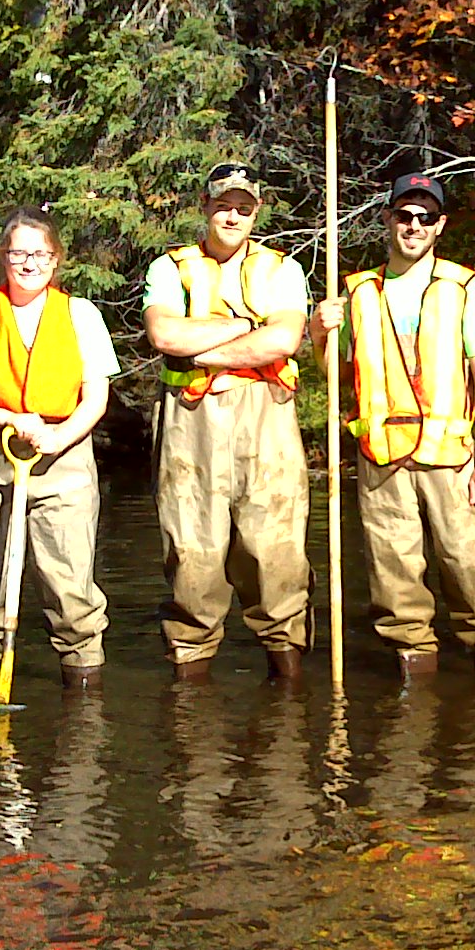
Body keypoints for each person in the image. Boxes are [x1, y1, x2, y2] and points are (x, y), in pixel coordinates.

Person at [312, 172, 475, 677]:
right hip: (382, 460)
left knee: (474, 574)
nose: (414, 225)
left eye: (425, 216)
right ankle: (413, 688)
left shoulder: (465, 288)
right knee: (395, 584)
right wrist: (320, 334)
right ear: (388, 218)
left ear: (440, 224)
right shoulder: (357, 294)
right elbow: (339, 375)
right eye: (404, 214)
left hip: (451, 459)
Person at [0, 207, 118, 702]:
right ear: (4, 258)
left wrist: (62, 436)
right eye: (19, 253)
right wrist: (9, 420)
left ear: (56, 260)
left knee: (71, 591)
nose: (29, 263)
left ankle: (83, 712)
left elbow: (96, 395)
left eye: (40, 254)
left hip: (65, 457)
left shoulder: (82, 315)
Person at [143, 162, 311, 680]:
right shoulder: (168, 268)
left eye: (243, 206)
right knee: (194, 555)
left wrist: (206, 349)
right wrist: (244, 328)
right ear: (205, 207)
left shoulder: (283, 269)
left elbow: (282, 341)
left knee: (275, 552)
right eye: (223, 205)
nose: (232, 215)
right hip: (188, 424)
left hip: (267, 419)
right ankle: (191, 683)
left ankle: (288, 679)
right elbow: (165, 338)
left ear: (256, 211)